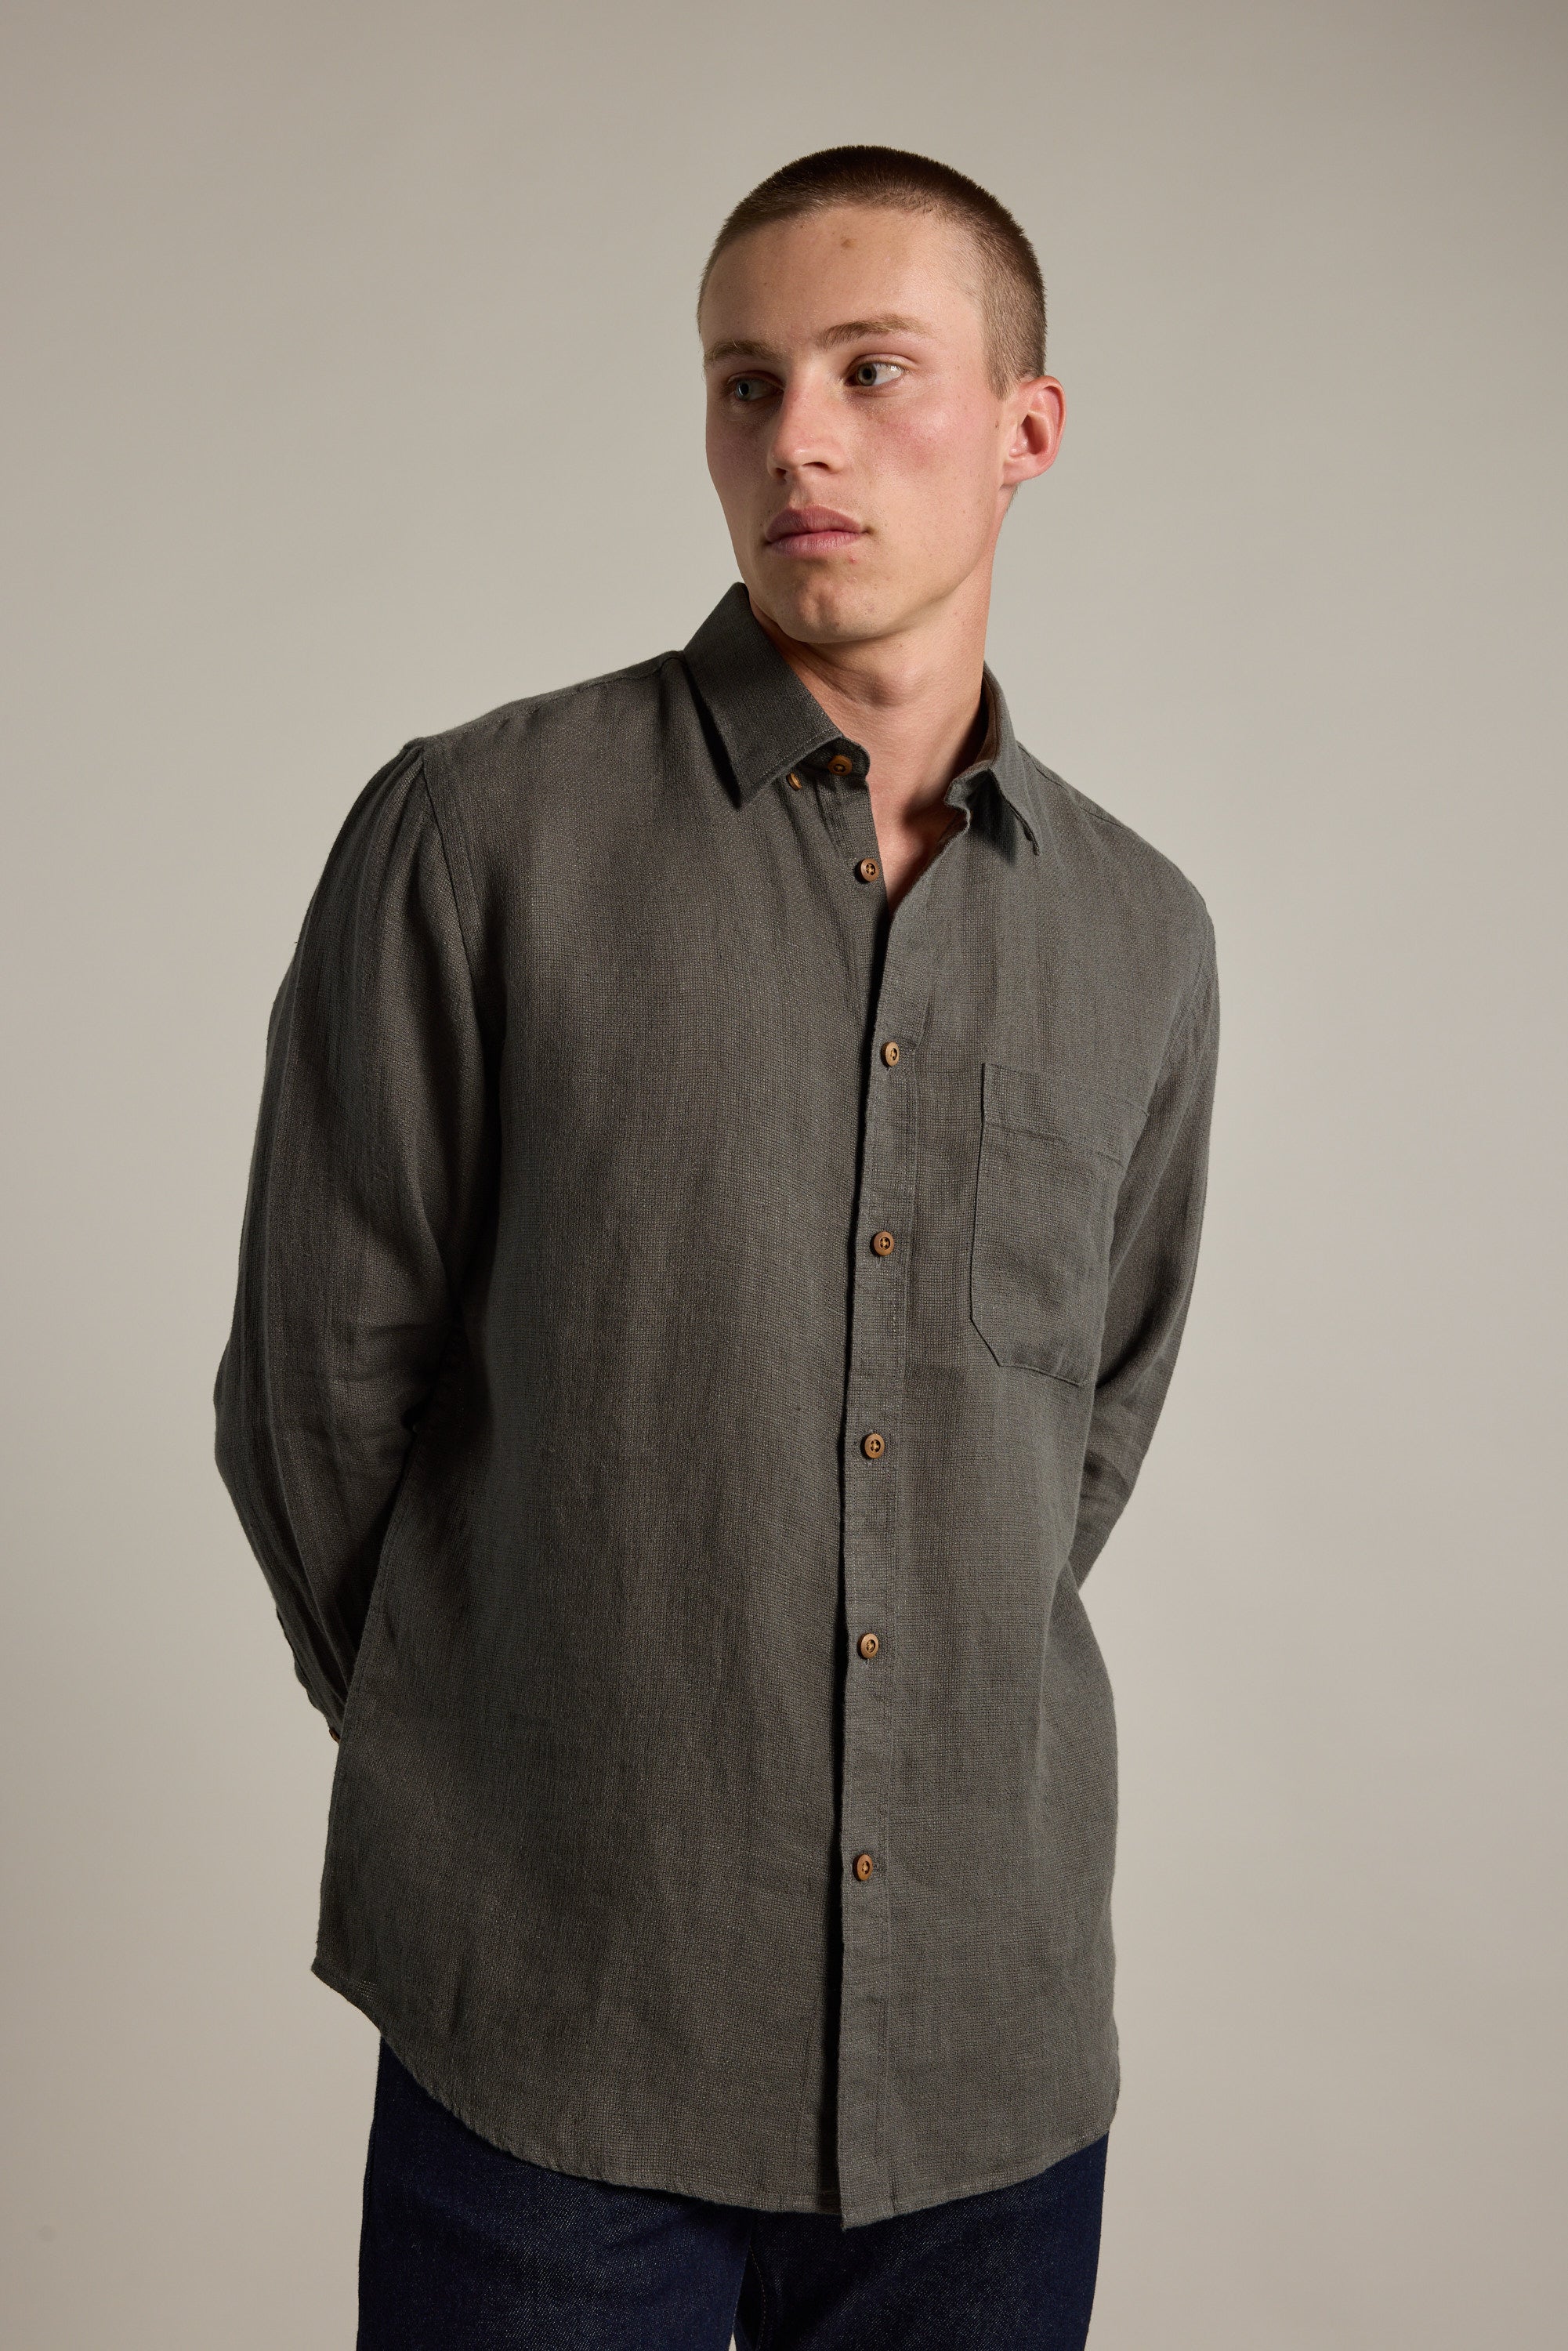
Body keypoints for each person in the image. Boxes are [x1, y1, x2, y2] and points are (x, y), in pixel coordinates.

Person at [214, 143, 1219, 2349]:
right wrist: (508, 1754)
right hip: (553, 2039)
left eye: (876, 372)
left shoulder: (1139, 932)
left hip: (991, 2071)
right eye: (745, 385)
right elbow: (313, 1388)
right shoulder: (478, 833)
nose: (801, 440)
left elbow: (1091, 1414)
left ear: (1025, 427)